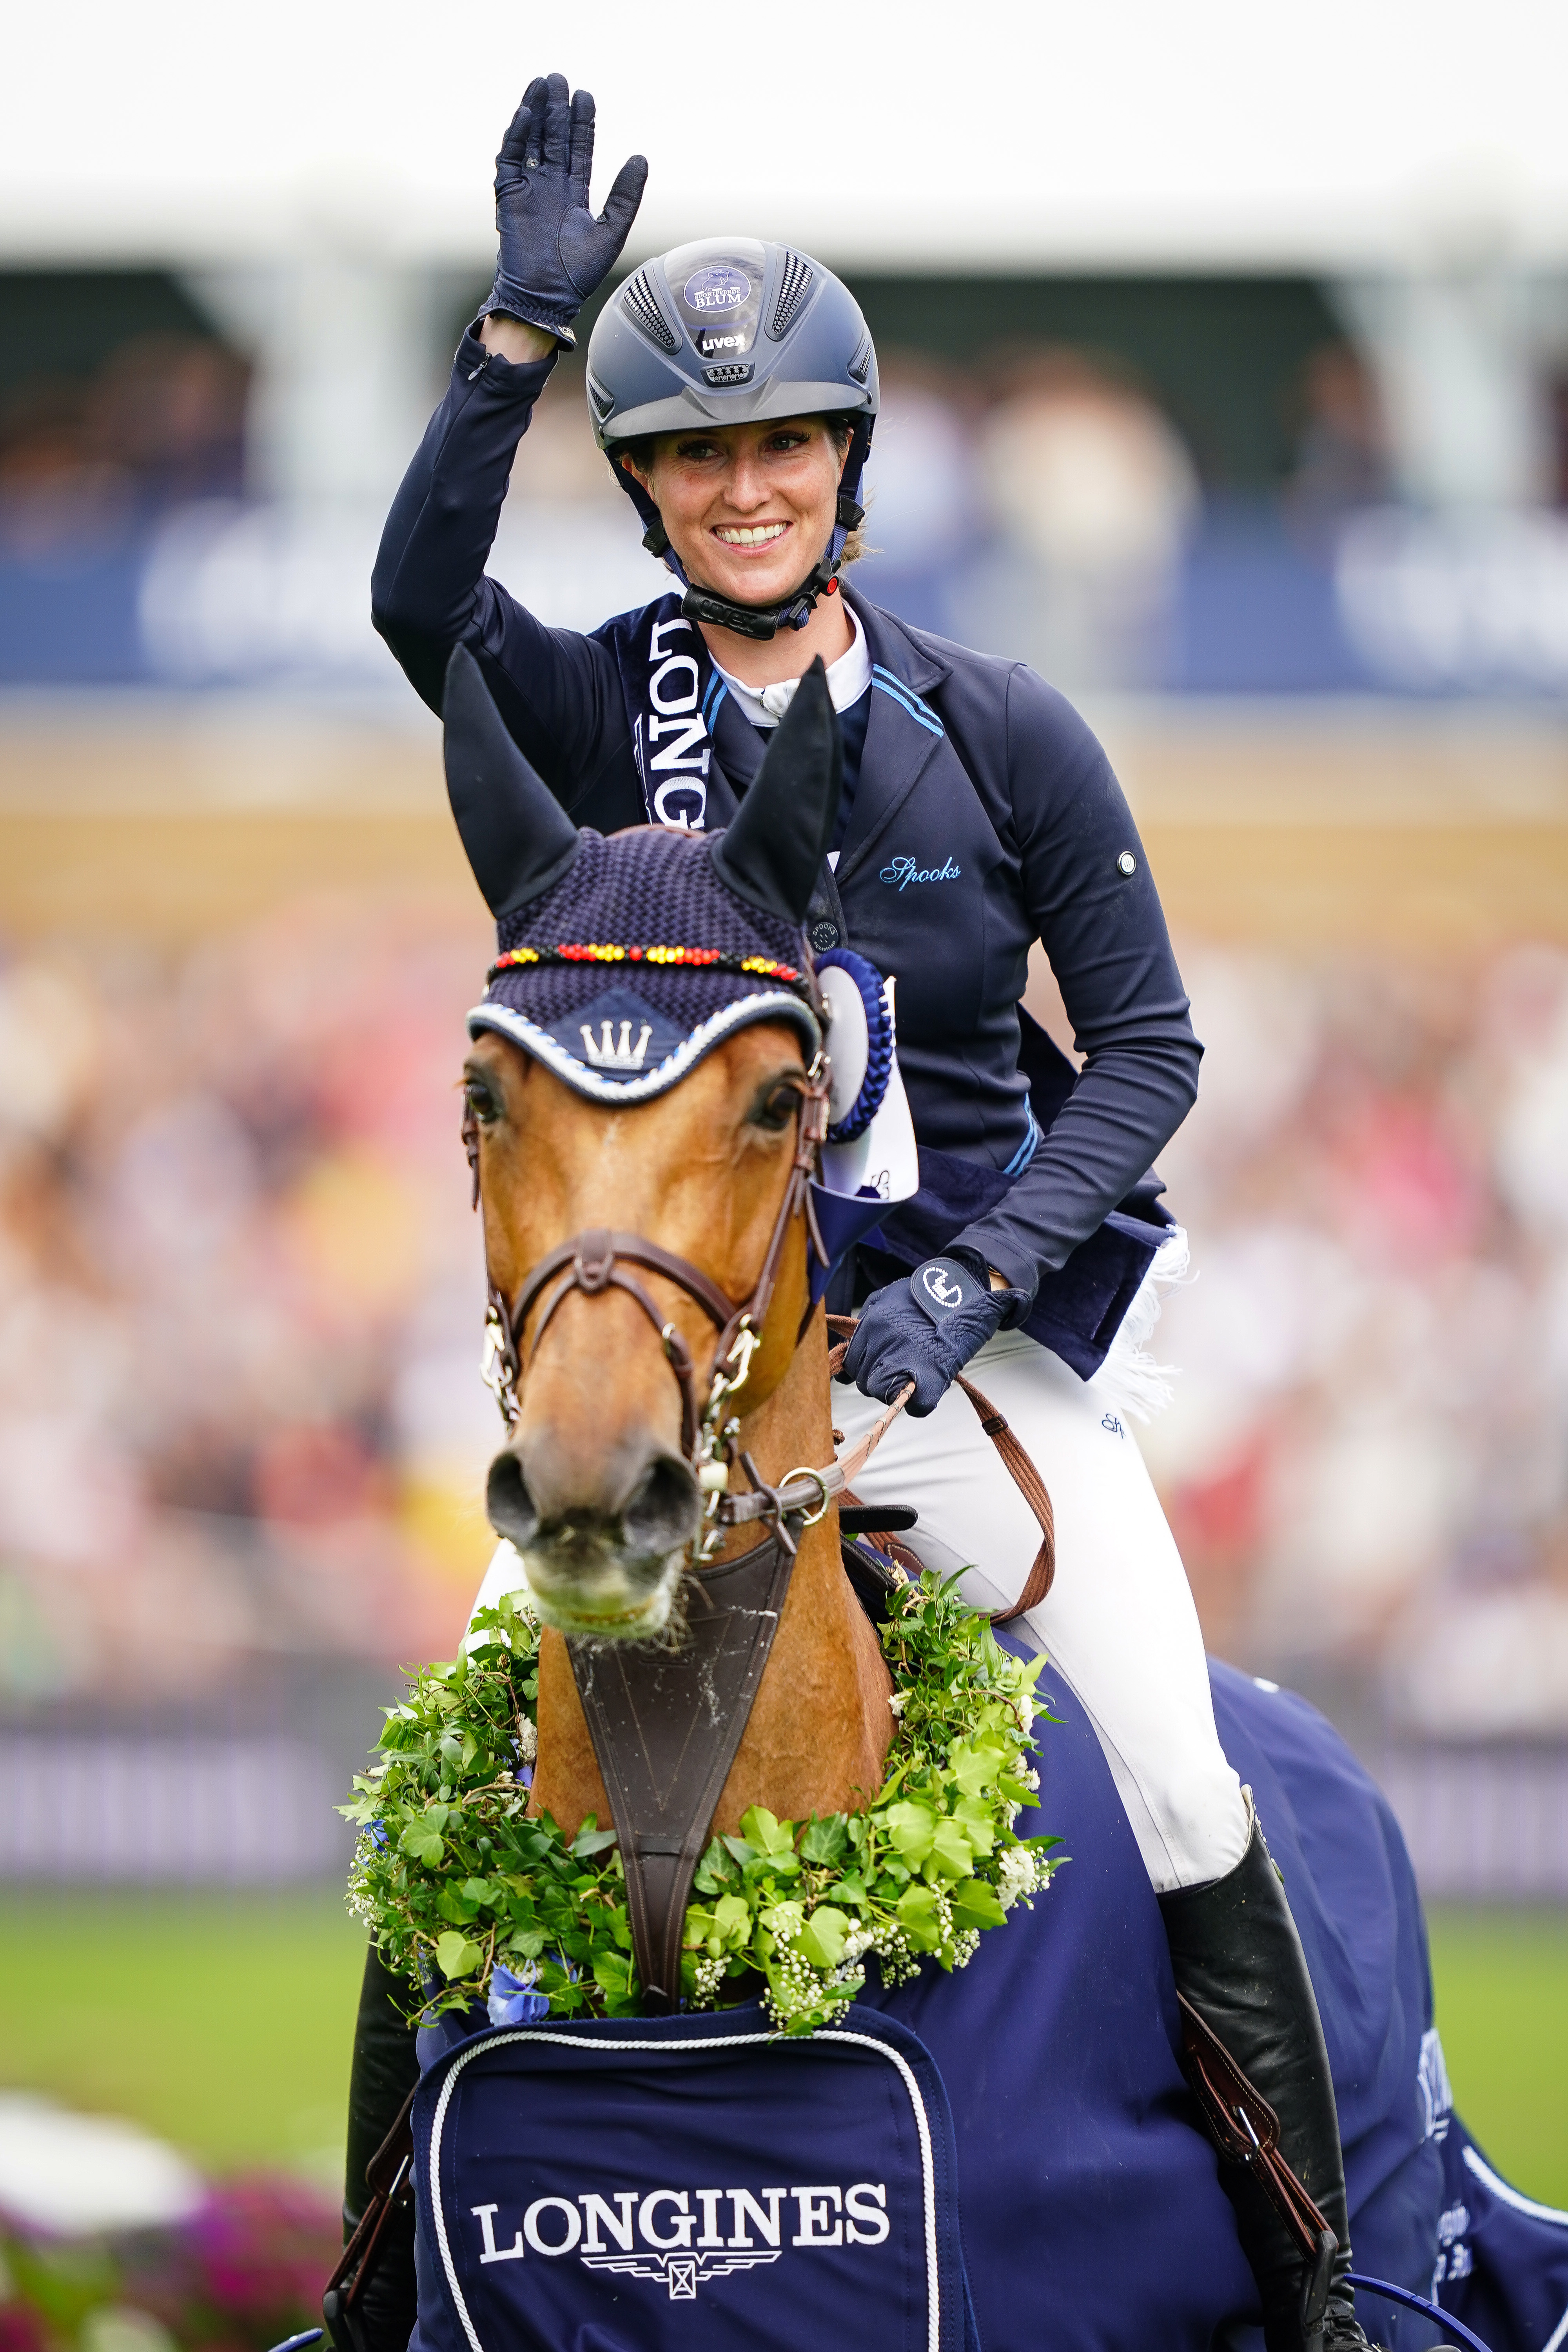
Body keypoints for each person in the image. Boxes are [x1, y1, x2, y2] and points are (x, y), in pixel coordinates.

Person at [365, 73, 1381, 2352]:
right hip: (697, 1373)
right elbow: (418, 595)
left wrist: (981, 1298)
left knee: (1183, 1772)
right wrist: (517, 341)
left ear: (849, 464)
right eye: (699, 458)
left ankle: (1319, 2273)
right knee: (460, 1749)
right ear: (642, 489)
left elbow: (1150, 1058)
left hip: (967, 1353)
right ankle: (371, 2278)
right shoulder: (581, 704)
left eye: (783, 447)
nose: (745, 489)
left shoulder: (1000, 724)